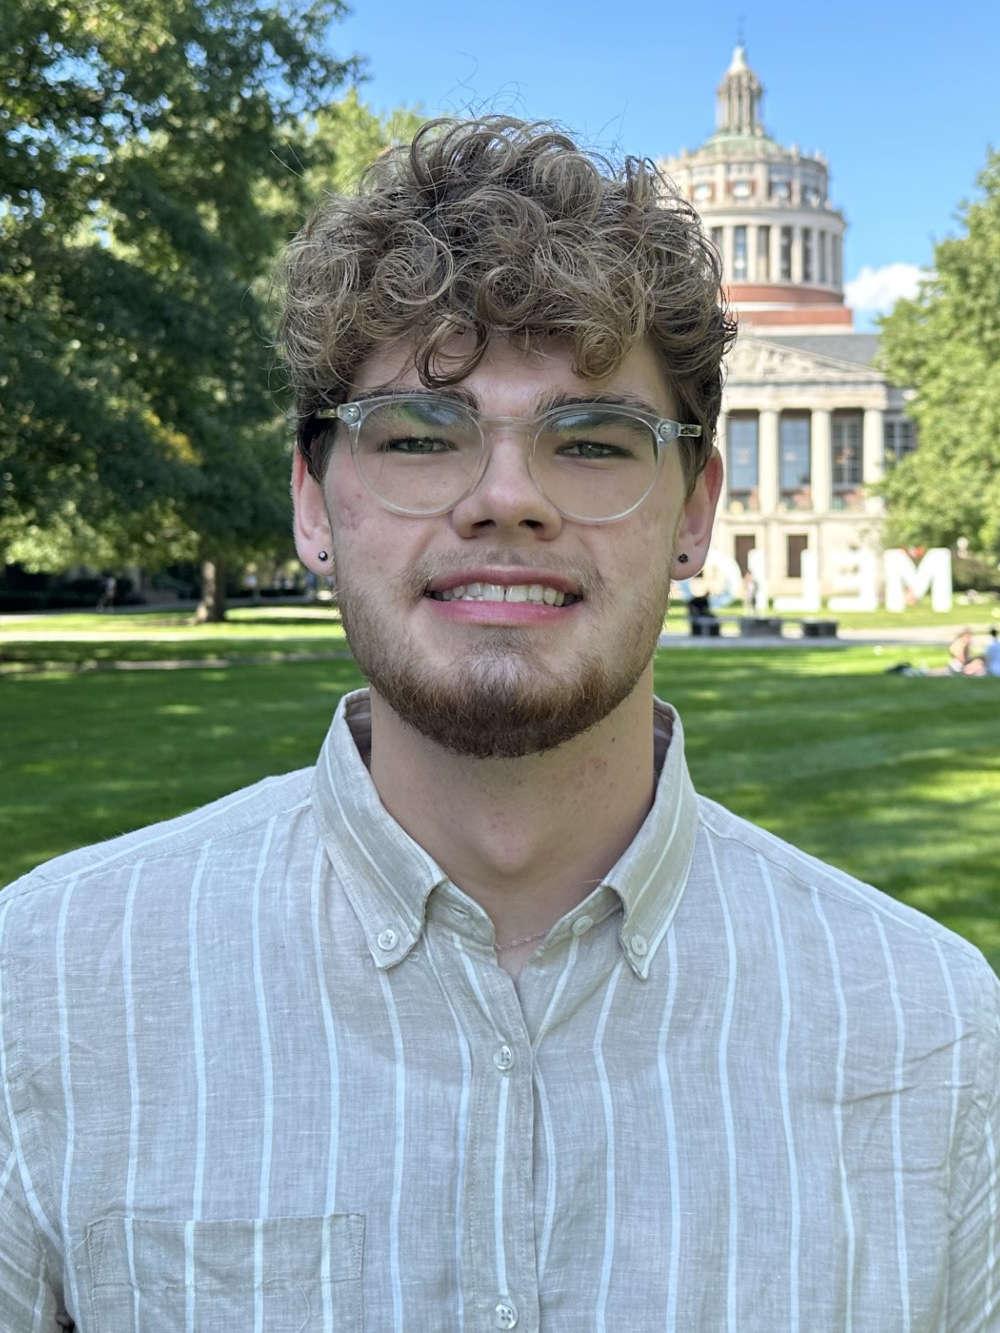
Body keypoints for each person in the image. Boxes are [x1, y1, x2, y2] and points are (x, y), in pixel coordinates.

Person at [2, 119, 997, 1331]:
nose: (507, 498)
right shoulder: (43, 987)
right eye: (421, 435)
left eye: (591, 442)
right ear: (314, 504)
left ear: (695, 515)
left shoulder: (937, 1030)